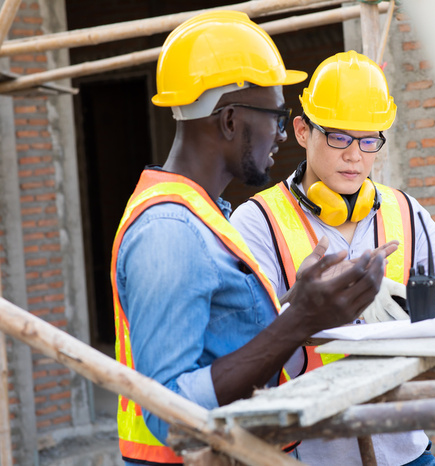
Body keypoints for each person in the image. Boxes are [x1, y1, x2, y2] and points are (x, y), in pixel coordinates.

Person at [111, 13, 387, 465]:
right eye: (277, 117)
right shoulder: (169, 232)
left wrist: (295, 305)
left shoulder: (204, 216)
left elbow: (218, 339)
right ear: (230, 121)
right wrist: (297, 322)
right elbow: (170, 412)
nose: (282, 133)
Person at [231, 51, 435, 466]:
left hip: (406, 447)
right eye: (339, 137)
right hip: (310, 453)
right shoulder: (257, 221)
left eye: (370, 140)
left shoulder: (403, 210)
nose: (355, 156)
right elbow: (246, 344)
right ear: (302, 130)